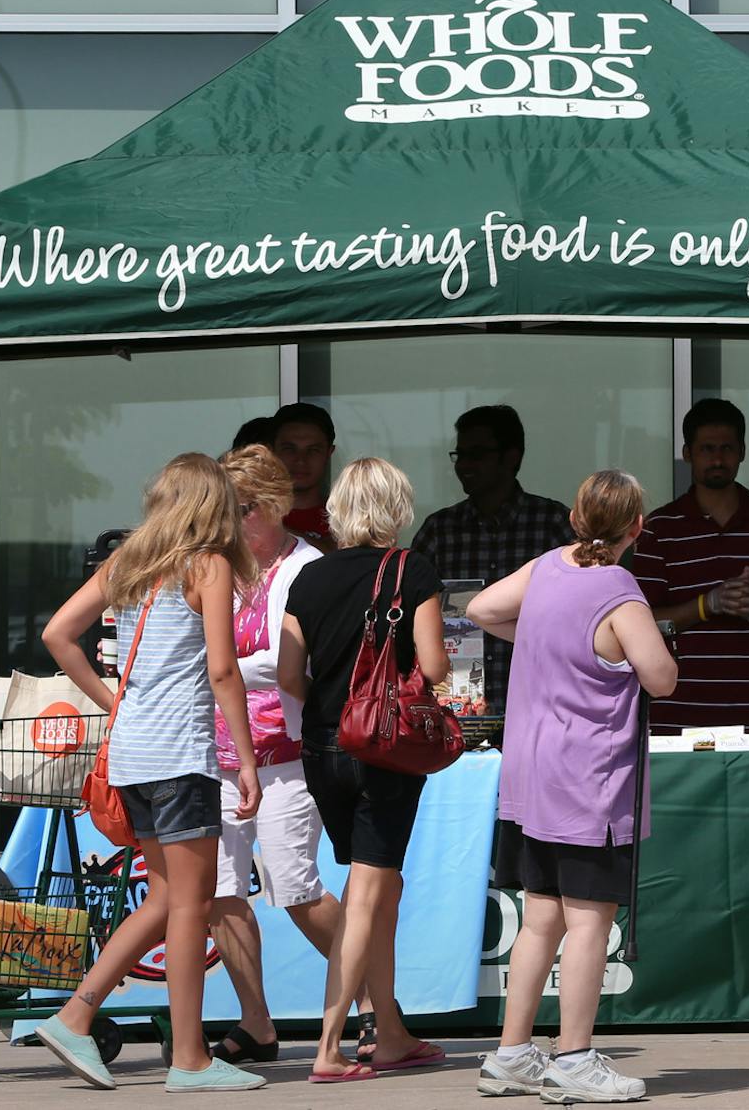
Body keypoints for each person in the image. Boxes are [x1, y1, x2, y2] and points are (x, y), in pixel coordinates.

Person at [34, 453, 265, 1092]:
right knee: (189, 906)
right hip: (181, 754)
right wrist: (244, 760)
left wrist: (115, 702)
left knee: (167, 901)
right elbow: (223, 671)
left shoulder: (129, 563)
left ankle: (77, 1013)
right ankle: (188, 1056)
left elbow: (58, 633)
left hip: (132, 753)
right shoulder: (208, 564)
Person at [467, 470, 678, 1103]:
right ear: (635, 527)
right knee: (589, 924)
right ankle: (575, 1056)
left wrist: (535, 636)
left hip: (532, 776)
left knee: (541, 920)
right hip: (591, 781)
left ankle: (511, 1054)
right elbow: (661, 678)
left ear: (575, 518)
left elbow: (479, 609)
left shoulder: (547, 567)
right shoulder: (619, 588)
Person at [279, 458, 448, 1083]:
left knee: (379, 892)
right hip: (384, 751)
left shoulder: (309, 578)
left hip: (323, 749)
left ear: (339, 509)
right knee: (368, 894)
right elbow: (431, 667)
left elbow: (290, 676)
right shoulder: (412, 569)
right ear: (396, 508)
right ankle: (330, 1046)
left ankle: (394, 1033)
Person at [203, 445, 350, 1066]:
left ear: (269, 508)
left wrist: (219, 668)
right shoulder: (216, 567)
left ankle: (372, 1002)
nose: (224, 525)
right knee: (219, 891)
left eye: (236, 511)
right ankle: (257, 1023)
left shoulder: (307, 567)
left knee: (295, 888)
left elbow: (301, 661)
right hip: (216, 753)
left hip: (287, 752)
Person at [634, 399, 749, 733]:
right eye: (706, 448)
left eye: (726, 448)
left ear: (742, 451)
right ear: (687, 453)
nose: (717, 458)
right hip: (675, 714)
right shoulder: (659, 527)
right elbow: (638, 622)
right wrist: (707, 604)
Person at [411, 404, 573, 713]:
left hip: (543, 705)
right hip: (456, 713)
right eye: (460, 455)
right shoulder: (439, 531)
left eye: (477, 454)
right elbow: (408, 615)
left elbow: (579, 616)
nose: (465, 465)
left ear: (512, 457)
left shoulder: (554, 526)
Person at [271, 402, 338, 550]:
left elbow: (338, 558)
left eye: (313, 450)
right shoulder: (251, 514)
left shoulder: (344, 518)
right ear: (272, 451)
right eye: (289, 449)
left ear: (329, 453)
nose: (301, 460)